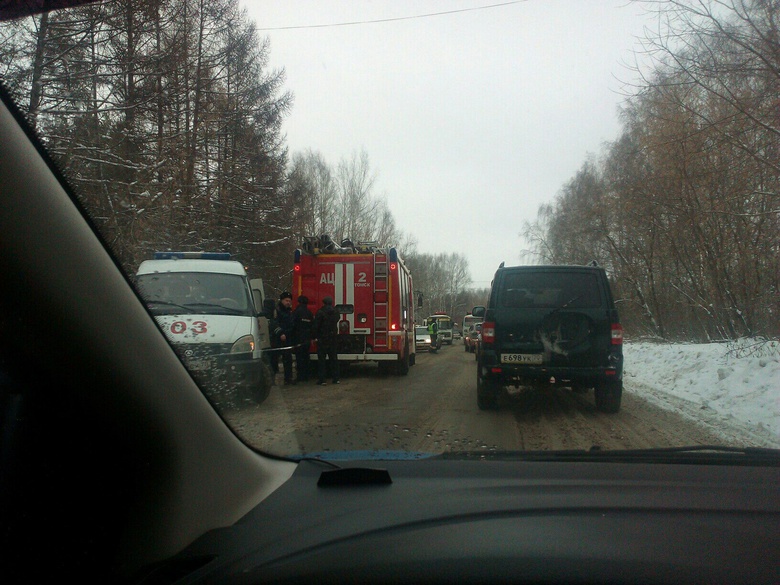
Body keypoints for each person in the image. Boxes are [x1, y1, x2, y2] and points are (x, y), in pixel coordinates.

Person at [312, 296, 340, 385]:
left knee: (322, 360)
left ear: (323, 303)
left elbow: (316, 326)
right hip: (333, 338)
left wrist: (314, 336)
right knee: (334, 359)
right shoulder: (336, 312)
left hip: (322, 338)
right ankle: (336, 378)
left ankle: (322, 379)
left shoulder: (320, 312)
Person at [271, 291, 295, 385]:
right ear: (282, 300)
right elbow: (273, 324)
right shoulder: (276, 310)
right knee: (274, 360)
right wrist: (280, 333)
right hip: (277, 339)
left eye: (289, 301)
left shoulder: (289, 311)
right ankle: (272, 379)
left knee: (288, 360)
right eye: (286, 300)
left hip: (287, 339)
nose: (288, 302)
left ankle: (288, 378)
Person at [291, 295, 313, 382]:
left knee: (299, 358)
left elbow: (292, 324)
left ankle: (300, 376)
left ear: (299, 302)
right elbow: (312, 325)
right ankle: (306, 375)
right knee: (306, 356)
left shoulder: (296, 312)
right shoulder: (309, 313)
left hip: (298, 338)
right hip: (307, 339)